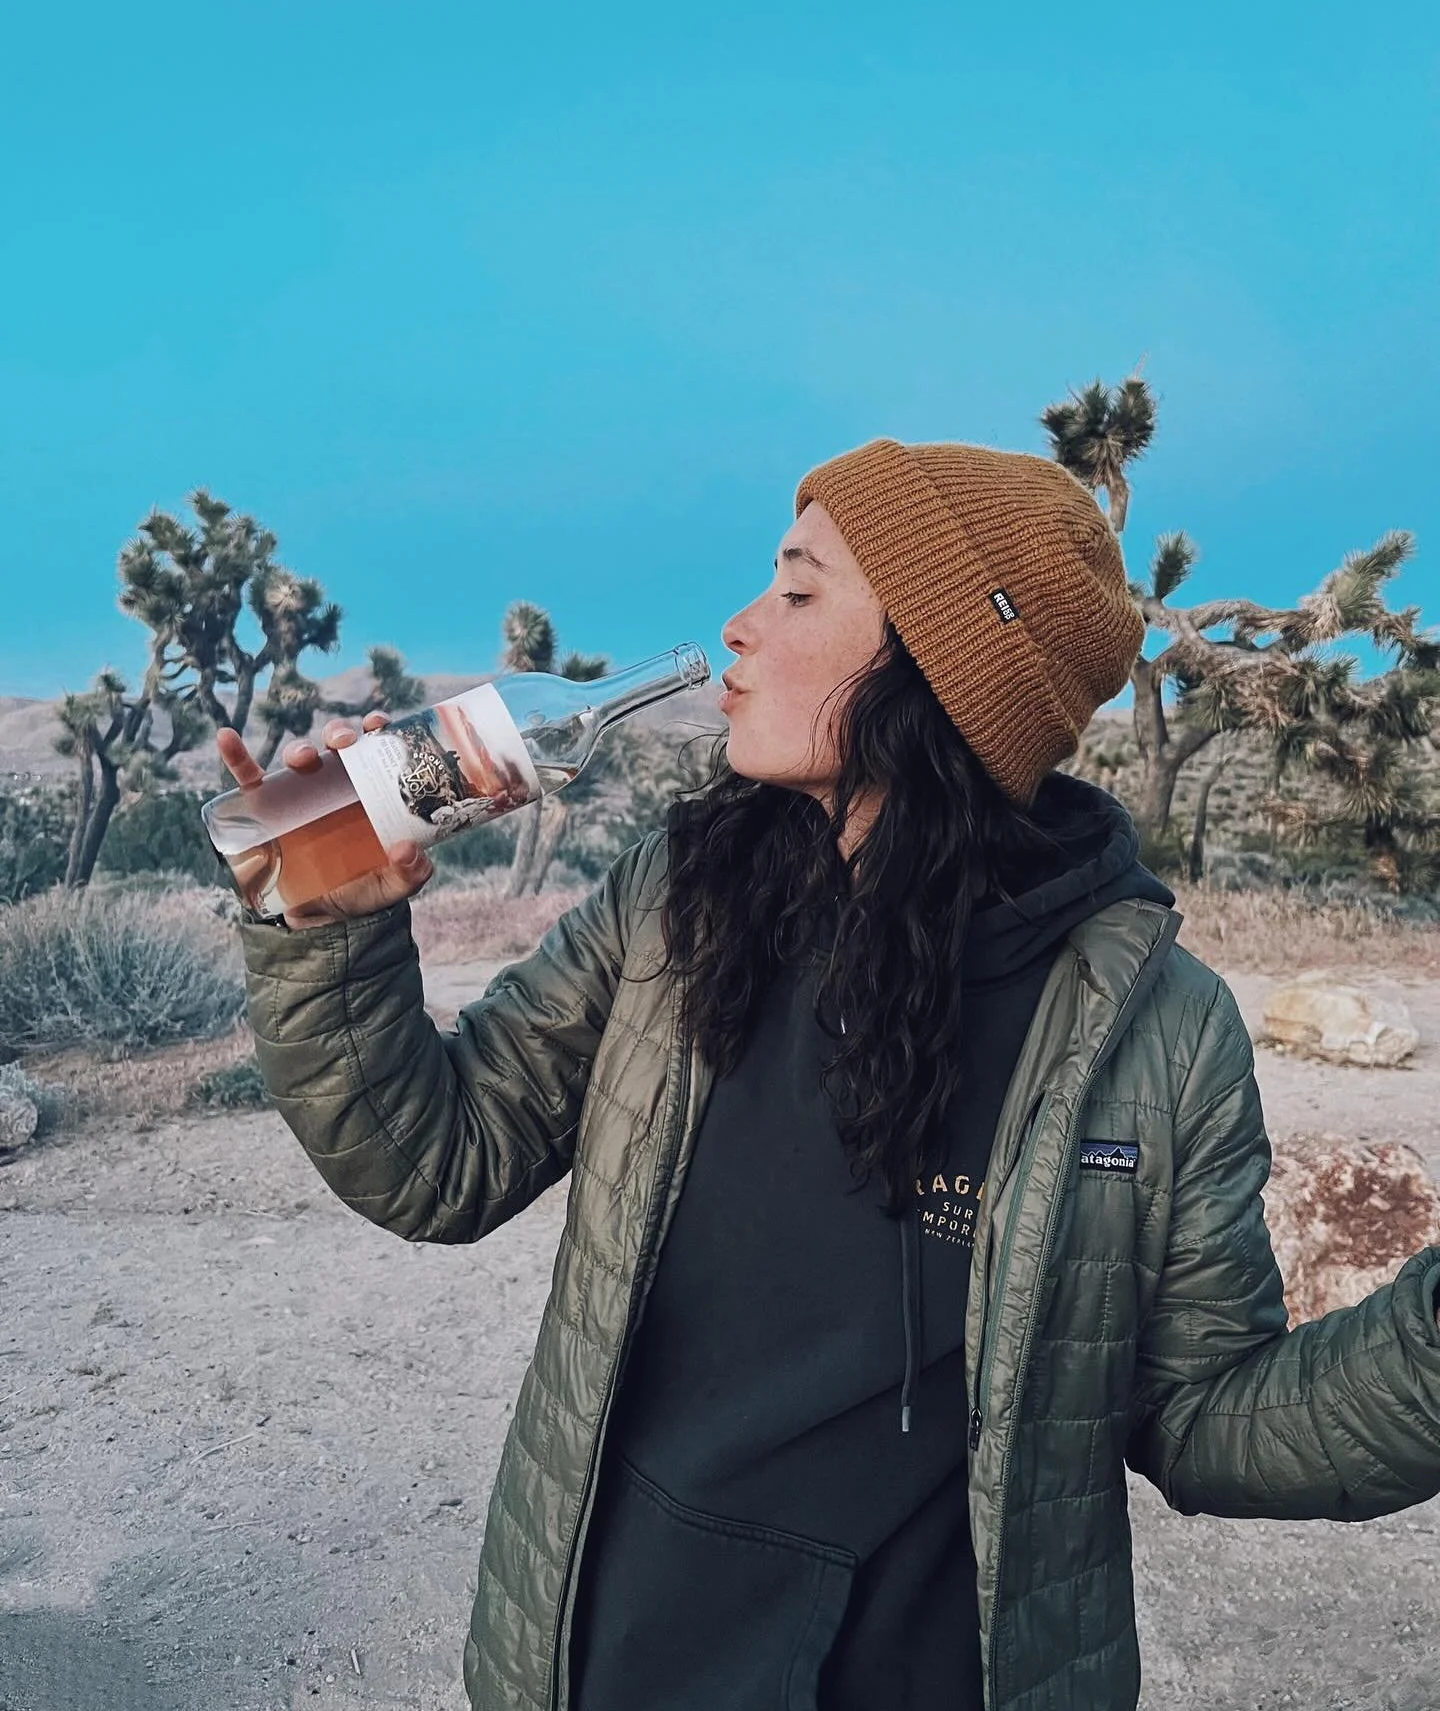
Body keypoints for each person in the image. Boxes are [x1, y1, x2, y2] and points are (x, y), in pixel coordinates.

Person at [218, 438, 1440, 1711]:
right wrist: (333, 935)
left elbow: (1206, 1419)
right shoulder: (678, 905)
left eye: (800, 592)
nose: (740, 628)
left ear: (944, 669)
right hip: (625, 1652)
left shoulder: (1155, 1029)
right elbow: (436, 1168)